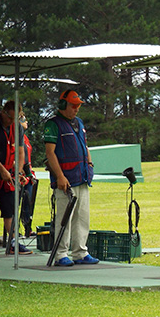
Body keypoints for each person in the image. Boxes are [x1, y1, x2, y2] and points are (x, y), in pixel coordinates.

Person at [43, 90, 99, 266]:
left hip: (82, 177)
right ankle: (60, 254)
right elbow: (50, 153)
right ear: (62, 105)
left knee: (82, 217)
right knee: (64, 219)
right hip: (65, 180)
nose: (76, 109)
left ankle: (80, 252)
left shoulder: (79, 123)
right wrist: (59, 176)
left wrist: (89, 165)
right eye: (73, 105)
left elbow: (85, 146)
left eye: (78, 106)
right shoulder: (53, 124)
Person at [0, 100, 32, 254]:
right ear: (3, 113)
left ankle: (13, 243)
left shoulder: (16, 128)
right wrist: (1, 169)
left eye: (15, 119)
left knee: (10, 208)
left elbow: (21, 150)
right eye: (10, 118)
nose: (12, 122)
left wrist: (20, 171)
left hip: (7, 175)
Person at [19, 113, 38, 237]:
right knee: (15, 203)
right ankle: (13, 230)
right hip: (20, 175)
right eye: (23, 120)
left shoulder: (25, 138)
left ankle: (27, 228)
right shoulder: (16, 137)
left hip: (28, 175)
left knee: (28, 202)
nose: (26, 122)